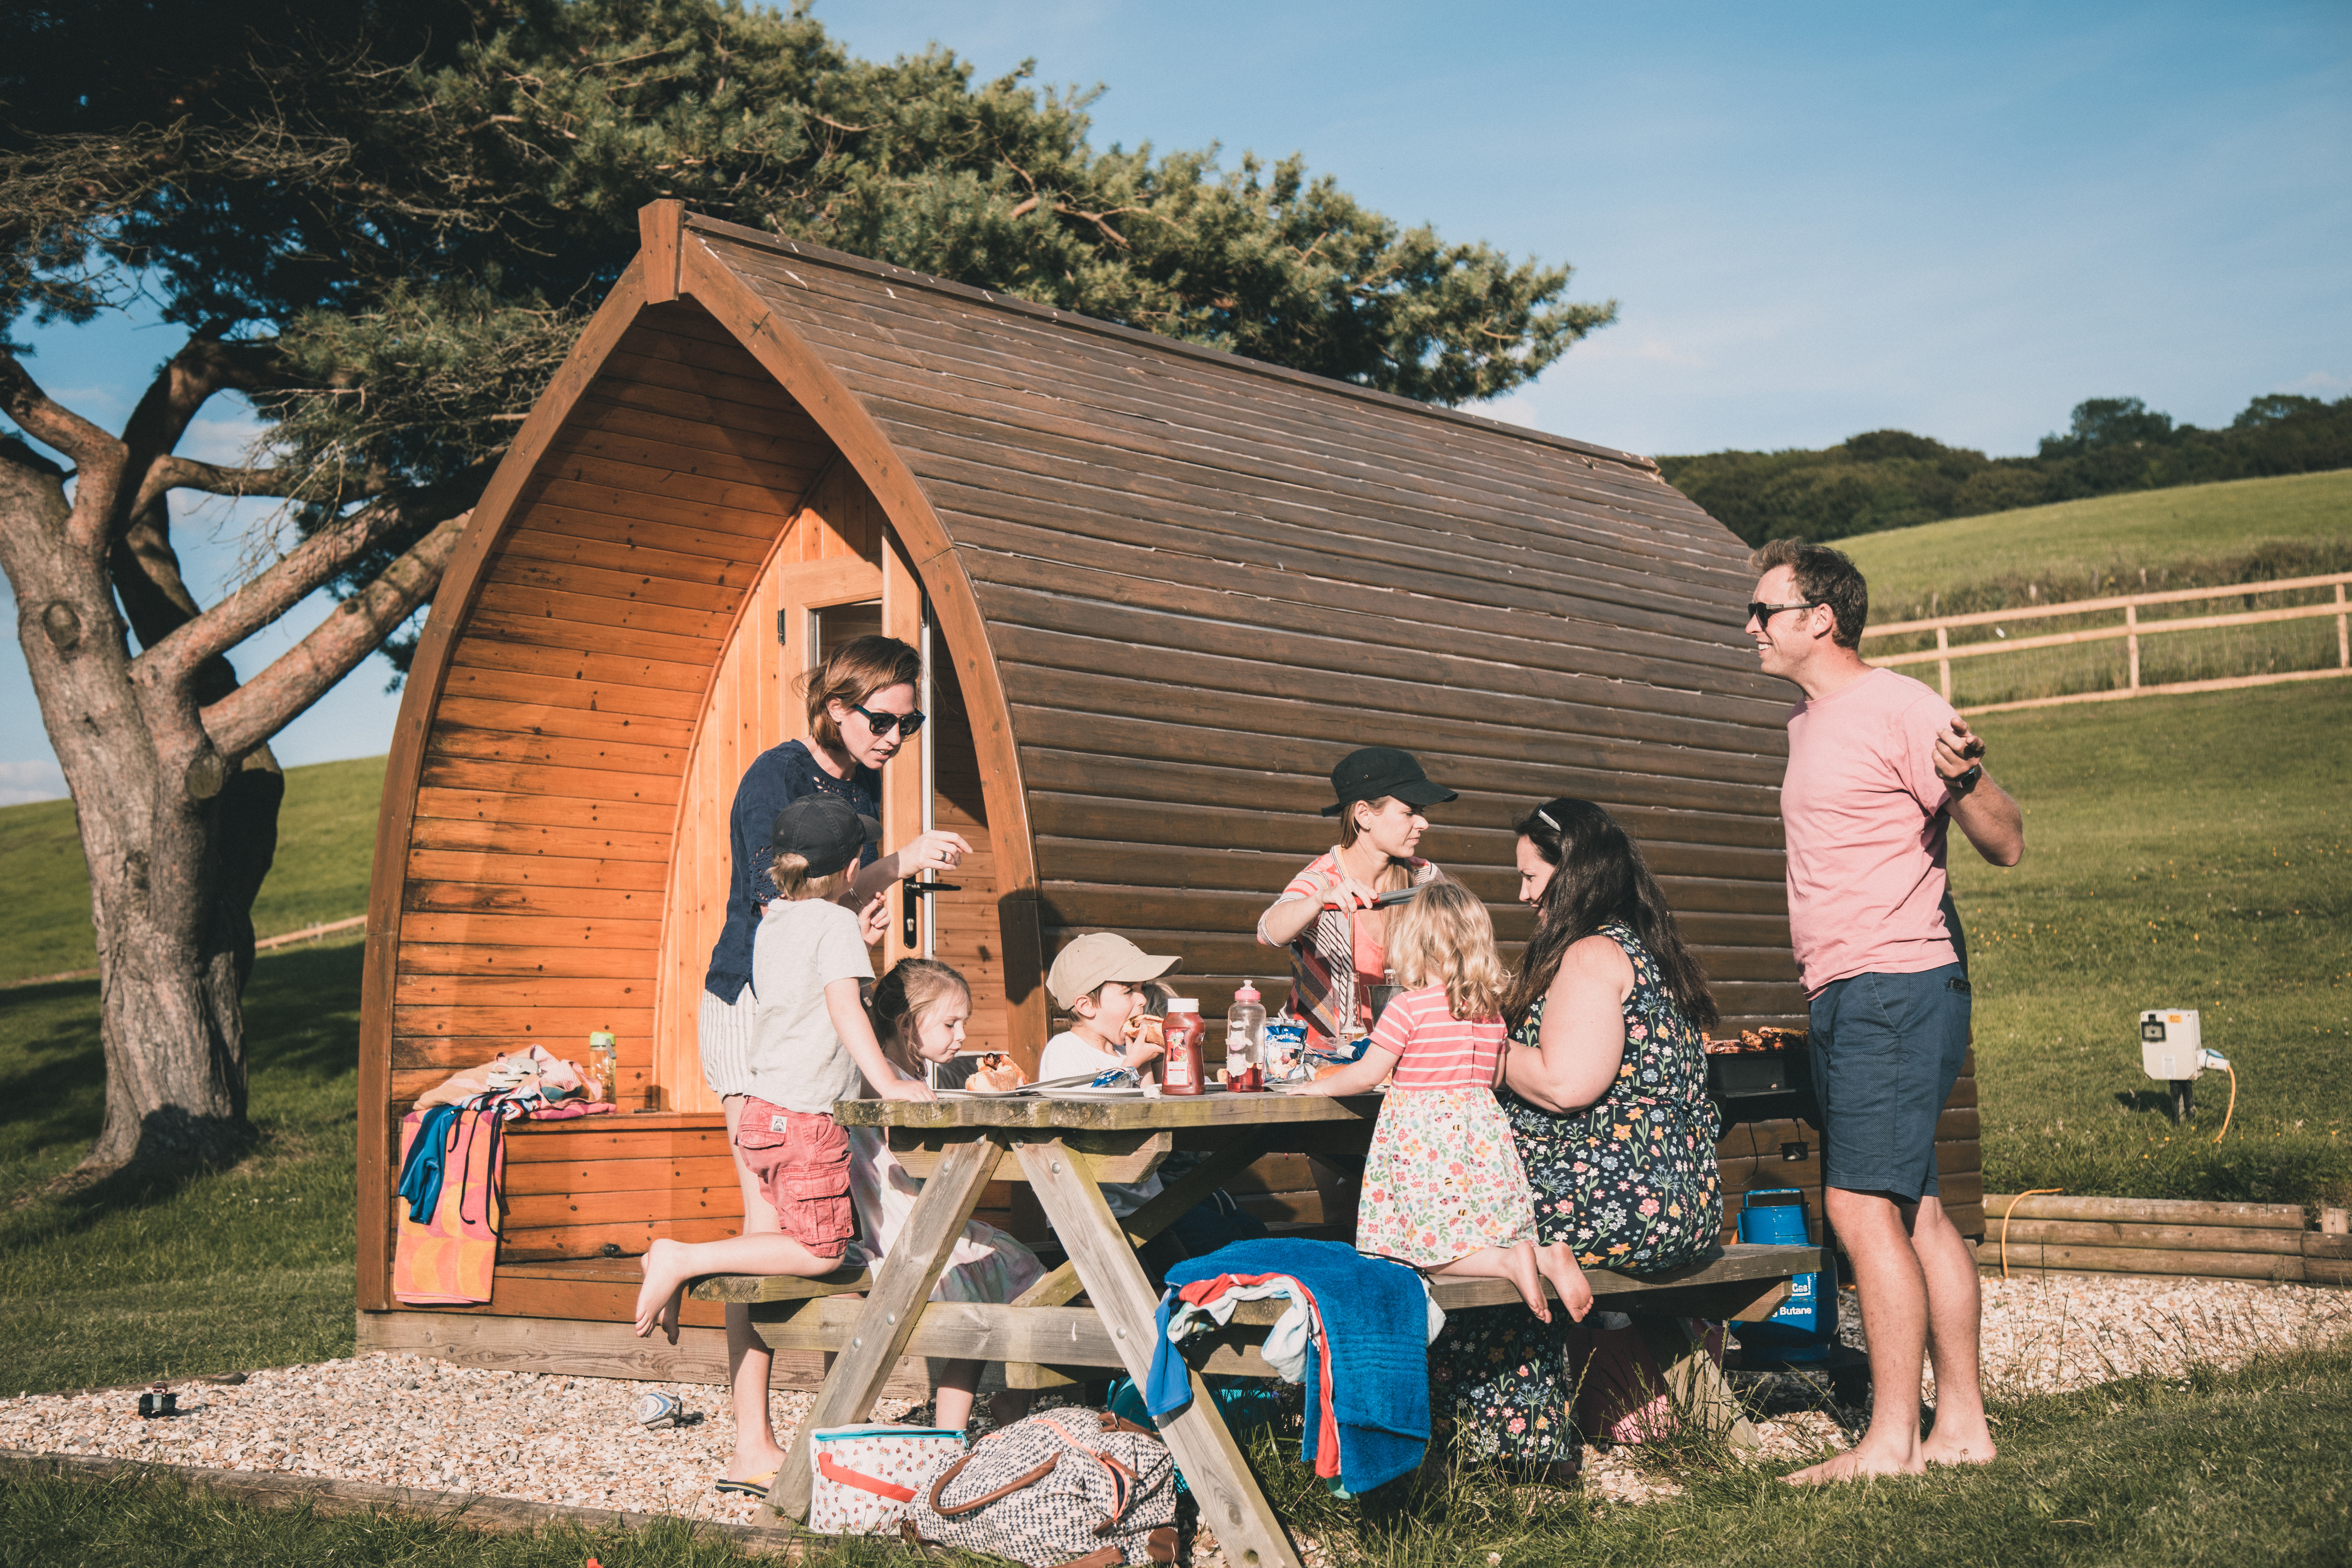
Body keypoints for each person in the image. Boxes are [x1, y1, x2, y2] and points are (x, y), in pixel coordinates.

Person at [1743, 538, 2024, 1484]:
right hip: (1853, 986)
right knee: (1916, 1212)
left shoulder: (1900, 706)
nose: (1749, 627)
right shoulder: (1803, 722)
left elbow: (2004, 842)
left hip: (1888, 984)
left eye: (1763, 611)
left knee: (1857, 1206)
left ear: (1818, 618)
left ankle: (1888, 1441)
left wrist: (1966, 780)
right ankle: (1961, 1431)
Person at [694, 634, 971, 1481]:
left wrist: (865, 914)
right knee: (768, 1224)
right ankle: (750, 1440)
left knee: (822, 1213)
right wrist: (893, 865)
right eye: (884, 719)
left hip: (820, 1018)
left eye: (909, 721)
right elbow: (771, 898)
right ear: (837, 708)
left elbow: (833, 908)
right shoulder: (773, 778)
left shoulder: (862, 785)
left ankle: (835, 1412)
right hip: (753, 1009)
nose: (896, 736)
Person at [636, 796, 936, 1496]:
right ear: (853, 866)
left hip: (762, 1113)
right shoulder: (832, 925)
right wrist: (889, 1083)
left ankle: (811, 1423)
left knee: (790, 1236)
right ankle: (683, 1258)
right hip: (805, 1121)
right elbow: (841, 1007)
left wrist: (846, 931)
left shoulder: (772, 922)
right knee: (825, 1250)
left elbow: (798, 997)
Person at [1425, 796, 1721, 1477]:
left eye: (1532, 878)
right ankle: (1519, 1438)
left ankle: (1500, 1444)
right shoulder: (1643, 950)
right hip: (1677, 1198)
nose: (1523, 894)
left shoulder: (1591, 955)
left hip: (1627, 1201)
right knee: (1484, 1223)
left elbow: (1566, 1084)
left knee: (1446, 1225)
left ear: (1573, 875)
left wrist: (1479, 1049)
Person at [1297, 881, 1583, 1319]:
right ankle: (1541, 1256)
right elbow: (1494, 1075)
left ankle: (1511, 1262)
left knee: (1421, 1250)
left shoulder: (1409, 1009)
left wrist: (1317, 1085)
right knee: (1479, 1233)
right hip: (1481, 1140)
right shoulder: (1489, 1014)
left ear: (1414, 943)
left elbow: (1369, 1074)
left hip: (1424, 1147)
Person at [862, 958, 1044, 1431]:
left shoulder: (910, 1078)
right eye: (950, 1023)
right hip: (899, 1227)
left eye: (963, 1022)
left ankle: (1010, 1400)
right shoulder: (881, 1077)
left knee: (1026, 1269)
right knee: (974, 1296)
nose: (962, 1035)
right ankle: (949, 1433)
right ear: (906, 1024)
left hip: (932, 1218)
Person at [1255, 747, 1454, 1054]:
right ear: (1364, 815)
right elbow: (1269, 932)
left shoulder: (1424, 878)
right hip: (1318, 1056)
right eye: (1409, 812)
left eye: (1422, 813)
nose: (1422, 823)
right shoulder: (1323, 879)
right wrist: (1319, 901)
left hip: (1399, 1053)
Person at [1038, 932, 1183, 1216]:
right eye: (1129, 990)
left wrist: (1146, 1065)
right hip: (1091, 1212)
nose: (1142, 999)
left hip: (1146, 1201)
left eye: (1141, 988)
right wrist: (1132, 1064)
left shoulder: (1124, 1050)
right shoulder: (1064, 1050)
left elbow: (1151, 1119)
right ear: (1086, 1006)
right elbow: (1086, 1118)